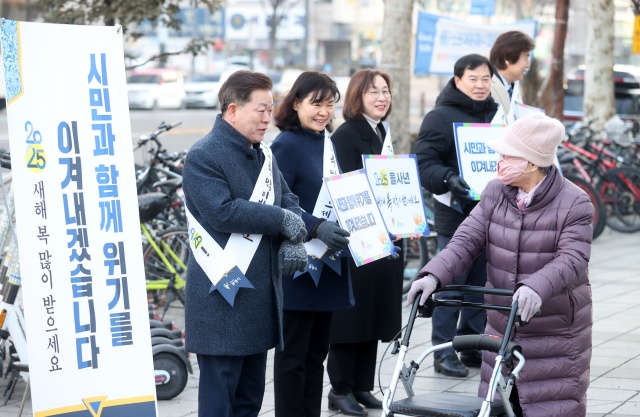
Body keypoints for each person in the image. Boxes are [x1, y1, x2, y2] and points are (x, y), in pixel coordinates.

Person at [408, 112, 593, 417]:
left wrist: (535, 286)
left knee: (550, 407)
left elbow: (573, 258)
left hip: (554, 331)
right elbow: (465, 240)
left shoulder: (575, 202)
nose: (499, 161)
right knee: (498, 408)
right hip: (501, 325)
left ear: (532, 162)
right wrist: (432, 275)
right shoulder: (495, 192)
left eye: (507, 155)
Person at [182, 70, 309, 417]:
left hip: (258, 297)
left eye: (271, 109)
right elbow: (222, 211)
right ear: (233, 110)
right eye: (261, 110)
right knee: (219, 401)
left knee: (250, 399)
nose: (268, 118)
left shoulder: (264, 154)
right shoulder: (203, 155)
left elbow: (288, 198)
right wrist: (281, 221)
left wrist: (292, 234)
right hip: (222, 293)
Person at [269, 71, 354, 417]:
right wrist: (314, 227)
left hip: (329, 262)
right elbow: (277, 201)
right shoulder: (285, 145)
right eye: (316, 103)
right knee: (293, 357)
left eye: (330, 104)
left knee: (317, 354)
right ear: (296, 103)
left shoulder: (327, 143)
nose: (324, 111)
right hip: (299, 263)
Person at [413, 54, 498, 378]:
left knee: (481, 284)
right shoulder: (439, 116)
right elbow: (423, 163)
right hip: (456, 215)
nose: (480, 85)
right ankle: (443, 351)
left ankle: (471, 346)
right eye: (473, 79)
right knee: (450, 283)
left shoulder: (497, 115)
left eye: (485, 79)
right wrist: (447, 178)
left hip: (491, 213)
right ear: (458, 79)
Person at [328, 68, 403, 416]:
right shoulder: (346, 136)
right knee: (352, 316)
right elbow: (346, 190)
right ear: (356, 97)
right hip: (356, 238)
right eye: (373, 92)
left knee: (373, 312)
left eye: (385, 91)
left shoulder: (381, 132)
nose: (381, 98)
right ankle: (339, 388)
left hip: (382, 237)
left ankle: (361, 385)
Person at [489, 30, 536, 124]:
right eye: (526, 57)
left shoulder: (513, 87)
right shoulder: (485, 88)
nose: (528, 65)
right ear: (508, 58)